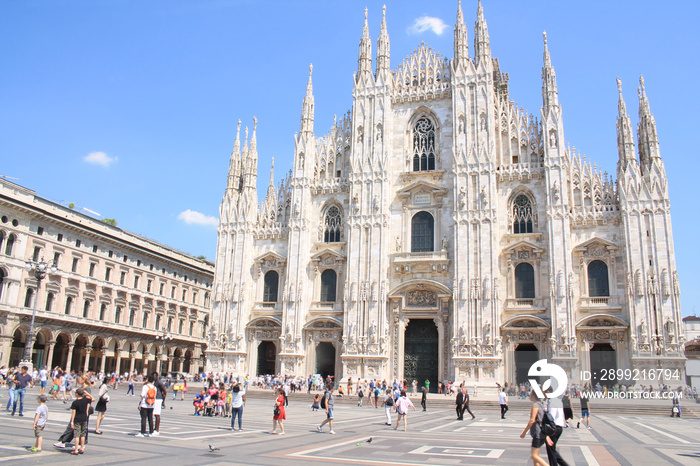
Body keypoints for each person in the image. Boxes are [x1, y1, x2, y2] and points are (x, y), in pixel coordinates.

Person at [519, 390, 549, 466]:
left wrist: (524, 432)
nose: (529, 396)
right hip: (542, 433)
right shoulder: (542, 404)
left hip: (537, 433)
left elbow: (532, 420)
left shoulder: (535, 405)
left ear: (534, 396)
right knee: (536, 458)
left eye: (530, 394)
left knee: (534, 456)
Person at [545, 391, 571, 466]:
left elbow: (551, 417)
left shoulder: (552, 401)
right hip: (559, 427)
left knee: (551, 451)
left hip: (554, 428)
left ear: (548, 392)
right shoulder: (557, 400)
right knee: (552, 450)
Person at [69, 388, 90, 455]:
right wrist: (87, 393)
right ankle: (82, 448)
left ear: (77, 394)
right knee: (83, 434)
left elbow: (73, 413)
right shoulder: (85, 400)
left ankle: (76, 450)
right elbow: (92, 398)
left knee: (77, 435)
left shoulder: (75, 403)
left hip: (77, 419)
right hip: (84, 418)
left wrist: (72, 422)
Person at [152, 372, 167, 436]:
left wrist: (163, 401)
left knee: (157, 414)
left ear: (157, 376)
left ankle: (157, 429)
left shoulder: (159, 382)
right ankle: (155, 428)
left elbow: (164, 391)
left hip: (158, 399)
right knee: (155, 414)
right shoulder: (155, 382)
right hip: (155, 398)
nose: (153, 377)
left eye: (154, 376)